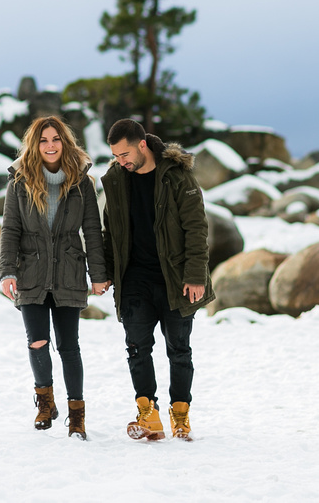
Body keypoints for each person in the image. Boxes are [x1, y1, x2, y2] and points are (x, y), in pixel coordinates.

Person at [100, 118, 214, 441]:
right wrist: (106, 273)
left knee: (179, 349)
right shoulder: (116, 180)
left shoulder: (177, 176)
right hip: (134, 277)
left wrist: (195, 275)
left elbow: (197, 227)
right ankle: (148, 414)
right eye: (116, 156)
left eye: (124, 155)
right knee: (137, 347)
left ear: (142, 145)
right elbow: (111, 232)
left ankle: (180, 415)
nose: (120, 162)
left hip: (175, 277)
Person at [0, 116, 110, 439]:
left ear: (65, 142)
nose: (50, 145)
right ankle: (45, 402)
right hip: (31, 271)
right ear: (35, 145)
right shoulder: (19, 181)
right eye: (44, 140)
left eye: (56, 139)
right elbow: (10, 229)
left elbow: (92, 230)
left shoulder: (82, 183)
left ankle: (77, 416)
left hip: (69, 271)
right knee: (37, 342)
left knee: (69, 347)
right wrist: (7, 271)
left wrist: (98, 274)